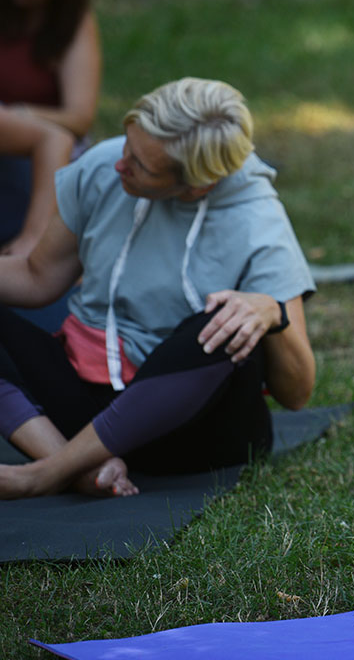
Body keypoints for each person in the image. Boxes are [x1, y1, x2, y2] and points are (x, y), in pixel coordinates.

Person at [0, 77, 316, 499]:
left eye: (140, 166)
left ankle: (43, 475)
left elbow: (297, 393)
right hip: (84, 406)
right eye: (127, 146)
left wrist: (270, 313)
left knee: (223, 320)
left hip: (196, 437)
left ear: (198, 186)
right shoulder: (104, 166)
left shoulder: (259, 223)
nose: (119, 165)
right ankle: (77, 466)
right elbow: (38, 278)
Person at [1, 0, 101, 256]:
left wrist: (22, 114)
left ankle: (34, 248)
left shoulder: (70, 23)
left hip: (41, 149)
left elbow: (78, 120)